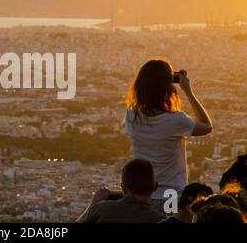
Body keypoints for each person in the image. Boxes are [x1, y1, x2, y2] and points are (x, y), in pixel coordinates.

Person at [124, 59, 213, 213]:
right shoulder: (176, 120)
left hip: (142, 196)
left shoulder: (131, 116)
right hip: (172, 196)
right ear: (167, 88)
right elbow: (206, 126)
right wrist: (188, 91)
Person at [76, 159, 164, 223]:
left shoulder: (100, 211)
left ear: (123, 187)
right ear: (154, 187)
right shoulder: (160, 219)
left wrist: (93, 205)